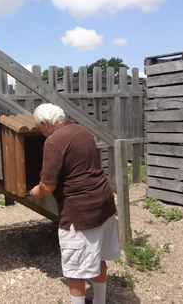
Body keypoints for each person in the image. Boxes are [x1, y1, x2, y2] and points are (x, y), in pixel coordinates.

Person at [29, 103, 121, 304]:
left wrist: (37, 190)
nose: (41, 133)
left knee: (76, 269)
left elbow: (49, 185)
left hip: (80, 212)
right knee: (99, 256)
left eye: (39, 129)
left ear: (45, 123)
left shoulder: (53, 142)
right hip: (103, 202)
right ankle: (99, 301)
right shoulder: (82, 130)